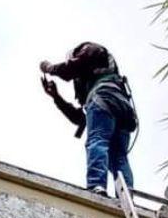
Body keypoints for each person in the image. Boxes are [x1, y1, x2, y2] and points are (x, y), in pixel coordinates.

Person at [39, 42, 137, 196]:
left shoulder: (91, 50)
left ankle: (97, 185)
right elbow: (80, 119)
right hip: (121, 108)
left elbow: (69, 69)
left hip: (106, 98)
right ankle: (126, 196)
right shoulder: (86, 81)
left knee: (98, 140)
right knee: (118, 156)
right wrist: (56, 97)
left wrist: (49, 68)